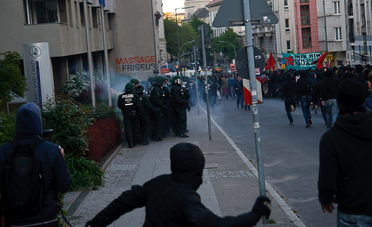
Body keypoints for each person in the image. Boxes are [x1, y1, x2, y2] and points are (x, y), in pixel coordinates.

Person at [85, 143, 271, 227]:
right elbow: (213, 224)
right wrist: (252, 216)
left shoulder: (157, 183)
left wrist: (94, 224)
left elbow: (123, 202)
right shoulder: (186, 197)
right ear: (196, 170)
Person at [318, 79, 372, 226]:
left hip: (353, 210)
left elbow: (327, 175)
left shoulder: (331, 137)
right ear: (364, 98)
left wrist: (325, 198)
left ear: (339, 102)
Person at [0, 102, 71, 227]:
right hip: (46, 219)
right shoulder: (52, 150)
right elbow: (64, 185)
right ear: (38, 122)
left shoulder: (4, 151)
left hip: (15, 222)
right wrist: (61, 159)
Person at [117, 82, 137, 147]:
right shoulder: (135, 95)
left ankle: (130, 142)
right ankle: (135, 141)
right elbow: (138, 105)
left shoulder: (121, 96)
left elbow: (119, 105)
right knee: (135, 127)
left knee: (128, 128)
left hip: (126, 114)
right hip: (134, 114)